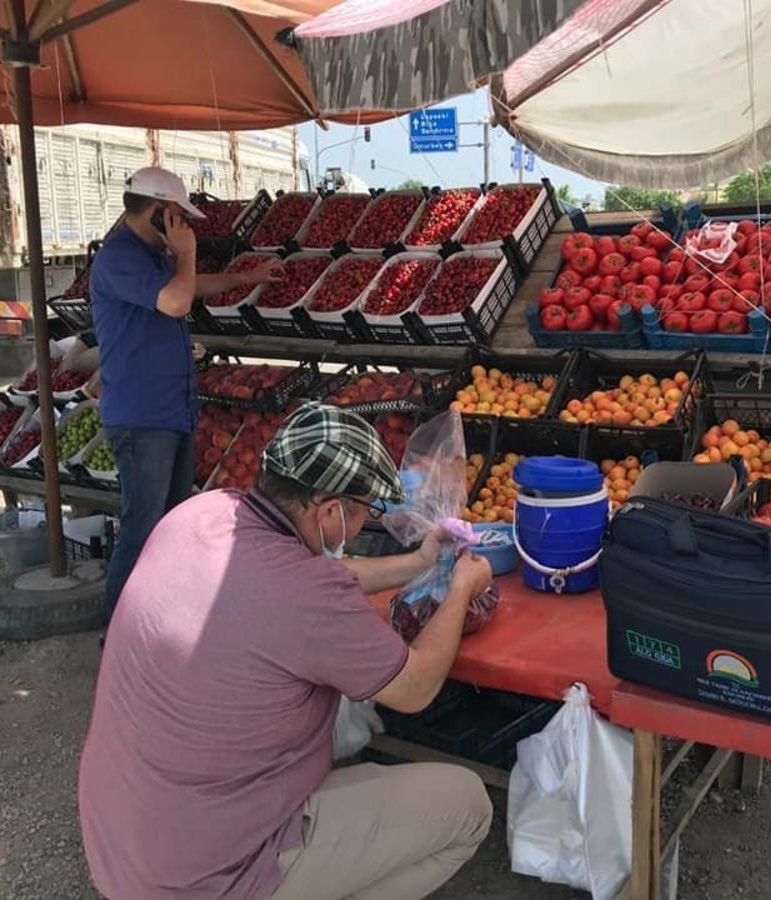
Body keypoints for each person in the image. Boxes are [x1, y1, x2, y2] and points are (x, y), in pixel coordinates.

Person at [78, 402, 495, 900]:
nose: (365, 524)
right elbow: (416, 686)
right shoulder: (305, 592)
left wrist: (419, 561)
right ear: (329, 510)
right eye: (365, 511)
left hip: (123, 845)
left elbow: (319, 578)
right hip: (206, 877)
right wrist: (460, 590)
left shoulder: (201, 513)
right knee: (469, 805)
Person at [89, 166, 283, 613]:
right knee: (142, 526)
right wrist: (187, 253)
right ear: (159, 213)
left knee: (173, 524)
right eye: (178, 216)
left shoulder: (153, 254)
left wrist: (246, 279)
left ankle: (165, 616)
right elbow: (176, 300)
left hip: (171, 411)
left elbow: (189, 289)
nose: (186, 226)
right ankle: (120, 632)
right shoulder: (121, 256)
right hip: (142, 417)